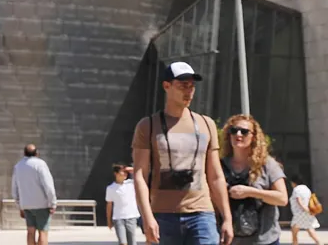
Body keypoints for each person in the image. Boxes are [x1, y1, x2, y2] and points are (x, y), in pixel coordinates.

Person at [132, 62, 232, 245]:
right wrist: (147, 218)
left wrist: (227, 217)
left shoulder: (206, 123)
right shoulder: (148, 125)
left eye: (192, 86)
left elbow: (216, 176)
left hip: (202, 214)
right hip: (163, 215)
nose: (189, 91)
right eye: (183, 85)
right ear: (166, 86)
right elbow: (140, 175)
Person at [219, 116, 286, 245]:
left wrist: (250, 192)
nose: (238, 134)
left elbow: (282, 198)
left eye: (244, 131)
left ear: (254, 136)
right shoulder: (219, 165)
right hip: (228, 239)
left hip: (264, 240)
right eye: (234, 130)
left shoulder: (267, 164)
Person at [12, 145, 57, 245]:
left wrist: (19, 205)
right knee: (43, 232)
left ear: (24, 153)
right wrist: (52, 203)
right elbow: (48, 185)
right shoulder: (40, 164)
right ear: (37, 153)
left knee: (30, 232)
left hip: (26, 205)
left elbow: (14, 188)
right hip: (42, 204)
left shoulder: (18, 166)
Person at [107, 164, 141, 245]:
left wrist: (131, 169)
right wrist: (109, 221)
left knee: (132, 242)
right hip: (118, 218)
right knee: (122, 242)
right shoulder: (111, 188)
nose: (125, 174)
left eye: (126, 173)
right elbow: (109, 205)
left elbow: (140, 174)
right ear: (116, 173)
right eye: (123, 172)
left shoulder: (131, 184)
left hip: (131, 217)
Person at [289, 177, 321, 245]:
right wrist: (309, 210)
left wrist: (304, 209)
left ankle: (294, 243)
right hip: (308, 212)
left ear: (294, 182)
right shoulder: (306, 188)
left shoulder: (296, 189)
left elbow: (299, 200)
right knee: (309, 228)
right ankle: (318, 242)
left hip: (299, 212)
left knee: (294, 229)